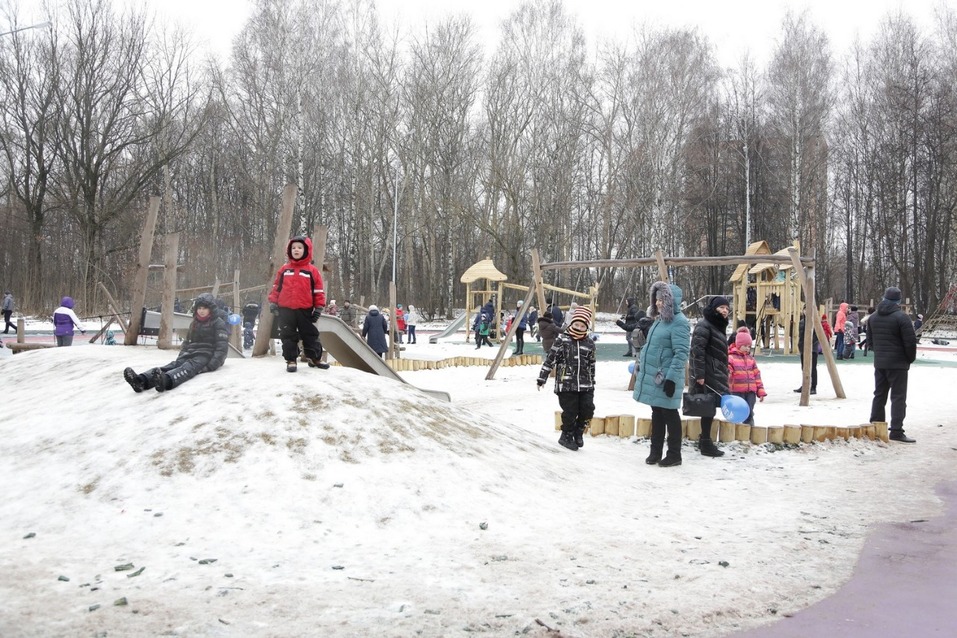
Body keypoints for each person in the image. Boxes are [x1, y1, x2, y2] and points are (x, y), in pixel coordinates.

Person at [633, 282, 690, 467]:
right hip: (657, 377)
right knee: (657, 413)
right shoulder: (660, 321)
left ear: (671, 302)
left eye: (662, 300)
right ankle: (655, 451)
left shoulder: (679, 322)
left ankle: (674, 454)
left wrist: (672, 379)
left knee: (670, 414)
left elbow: (681, 353)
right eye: (656, 300)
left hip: (667, 378)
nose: (658, 304)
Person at [123, 293, 229, 393]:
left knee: (187, 367)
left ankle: (166, 380)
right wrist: (182, 355)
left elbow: (222, 347)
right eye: (199, 308)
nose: (201, 311)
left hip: (204, 355)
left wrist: (211, 365)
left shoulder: (218, 323)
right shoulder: (194, 323)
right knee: (172, 365)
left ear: (210, 309)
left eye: (204, 308)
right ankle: (141, 380)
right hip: (190, 353)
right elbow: (187, 342)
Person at [536, 306, 596, 451]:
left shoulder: (589, 343)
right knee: (570, 411)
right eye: (576, 325)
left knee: (588, 409)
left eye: (582, 326)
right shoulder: (563, 340)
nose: (579, 328)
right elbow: (550, 359)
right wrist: (542, 377)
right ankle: (566, 435)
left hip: (585, 384)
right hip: (566, 383)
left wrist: (592, 380)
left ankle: (578, 431)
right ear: (572, 324)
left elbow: (592, 364)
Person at [267, 235, 329, 372]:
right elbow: (276, 287)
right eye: (293, 247)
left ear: (306, 250)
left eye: (300, 248)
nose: (296, 250)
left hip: (305, 309)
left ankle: (315, 358)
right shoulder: (284, 269)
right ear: (289, 250)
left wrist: (318, 307)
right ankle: (291, 360)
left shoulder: (312, 271)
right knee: (287, 334)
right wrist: (273, 302)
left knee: (310, 334)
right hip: (285, 309)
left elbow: (318, 291)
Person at [868, 286, 918, 443]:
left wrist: (880, 355)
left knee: (879, 395)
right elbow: (910, 343)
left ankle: (876, 427)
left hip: (880, 362)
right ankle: (896, 430)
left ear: (884, 298)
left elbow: (870, 342)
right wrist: (909, 359)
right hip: (898, 364)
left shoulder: (873, 317)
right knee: (898, 398)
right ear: (898, 300)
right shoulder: (902, 318)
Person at [689, 295, 731, 458]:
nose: (725, 311)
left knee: (711, 407)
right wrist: (699, 375)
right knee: (708, 408)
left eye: (727, 308)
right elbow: (697, 352)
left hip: (716, 373)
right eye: (721, 308)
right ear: (714, 309)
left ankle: (704, 439)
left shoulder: (718, 326)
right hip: (707, 374)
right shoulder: (704, 325)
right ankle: (705, 442)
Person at [727, 327, 767, 425]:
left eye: (749, 346)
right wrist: (728, 373)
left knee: (749, 411)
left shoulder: (751, 359)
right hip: (737, 390)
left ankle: (749, 428)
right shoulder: (731, 357)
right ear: (738, 344)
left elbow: (757, 375)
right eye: (745, 345)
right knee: (737, 411)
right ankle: (734, 430)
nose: (747, 348)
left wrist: (760, 391)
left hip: (751, 392)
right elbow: (727, 369)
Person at [794, 313, 819, 395]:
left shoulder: (815, 322)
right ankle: (805, 385)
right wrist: (801, 345)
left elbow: (817, 335)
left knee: (812, 368)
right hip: (803, 347)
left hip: (812, 348)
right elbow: (801, 335)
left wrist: (809, 343)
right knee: (804, 368)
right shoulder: (802, 322)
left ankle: (813, 387)